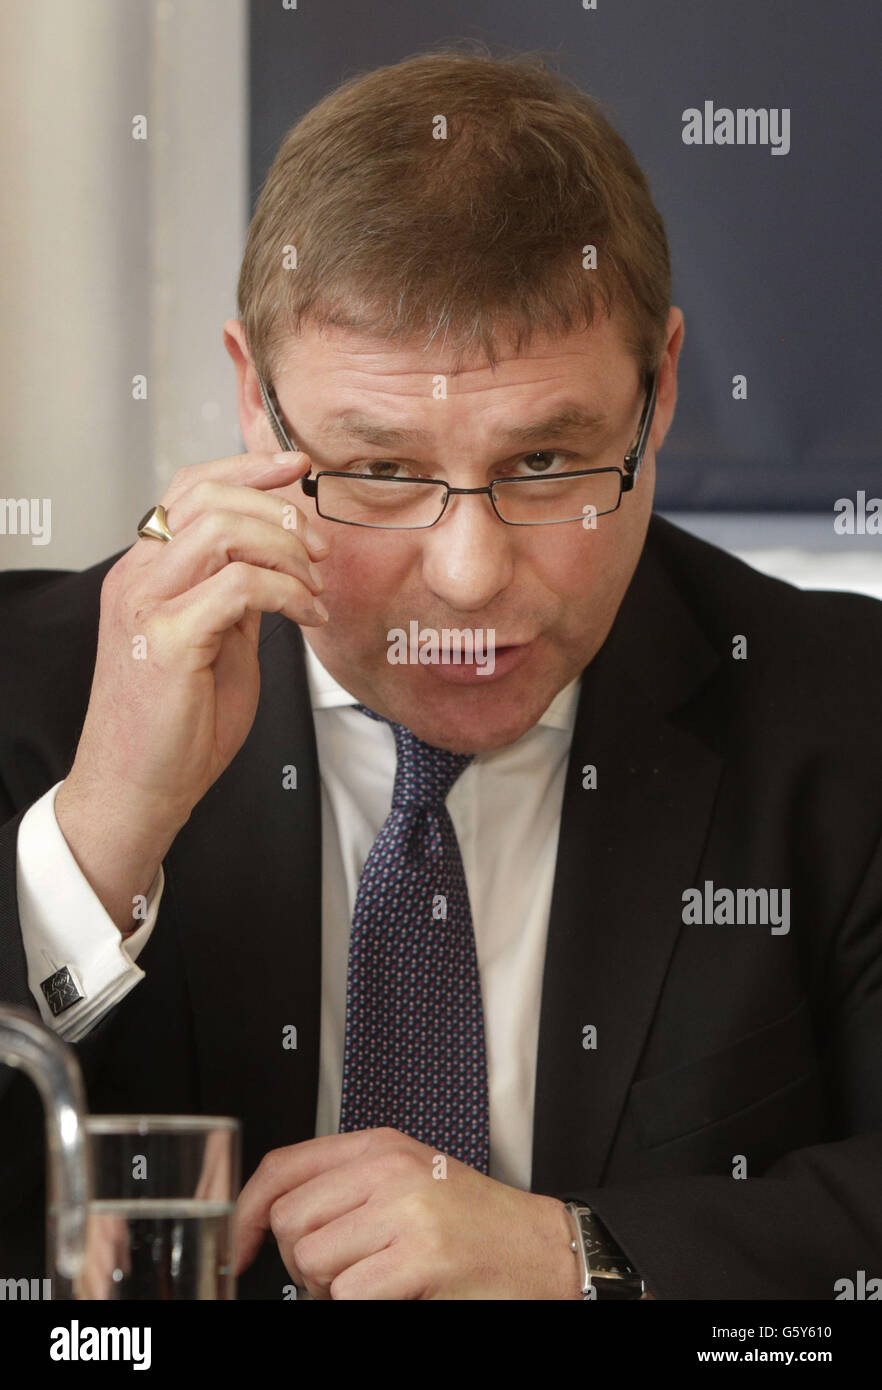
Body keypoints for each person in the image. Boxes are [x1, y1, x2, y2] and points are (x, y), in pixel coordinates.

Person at [1, 49, 880, 1302]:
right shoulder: (28, 689)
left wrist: (582, 1257)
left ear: (662, 388)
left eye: (547, 464)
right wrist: (94, 844)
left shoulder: (845, 716)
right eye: (383, 471)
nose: (468, 576)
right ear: (255, 401)